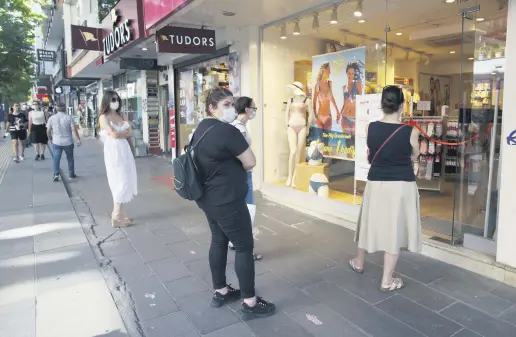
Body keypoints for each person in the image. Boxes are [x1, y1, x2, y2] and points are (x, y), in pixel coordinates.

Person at [193, 87, 275, 318]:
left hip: (207, 198)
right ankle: (250, 302)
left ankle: (220, 290)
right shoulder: (226, 132)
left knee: (218, 240)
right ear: (212, 107)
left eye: (232, 104)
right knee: (243, 246)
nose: (231, 109)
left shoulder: (200, 129)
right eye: (226, 105)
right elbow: (250, 162)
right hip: (227, 199)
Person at [349, 85, 421, 291]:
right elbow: (414, 155)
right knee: (394, 230)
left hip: (376, 182)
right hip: (401, 185)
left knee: (368, 223)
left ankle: (359, 262)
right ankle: (387, 280)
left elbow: (371, 151)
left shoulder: (370, 127)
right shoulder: (410, 131)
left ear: (382, 104)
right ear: (401, 105)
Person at [98, 90, 137, 228]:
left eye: (117, 99)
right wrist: (123, 134)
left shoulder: (122, 115)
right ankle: (116, 214)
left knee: (126, 177)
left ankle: (119, 213)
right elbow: (113, 135)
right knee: (120, 180)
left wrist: (121, 134)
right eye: (113, 100)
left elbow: (131, 132)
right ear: (107, 101)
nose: (116, 102)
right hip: (113, 151)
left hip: (125, 149)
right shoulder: (104, 117)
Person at [229, 96, 262, 261]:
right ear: (247, 109)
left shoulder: (237, 126)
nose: (255, 110)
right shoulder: (240, 128)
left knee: (239, 209)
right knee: (249, 210)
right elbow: (239, 155)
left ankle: (234, 241)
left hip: (239, 175)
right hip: (243, 174)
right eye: (254, 107)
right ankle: (246, 247)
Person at [46, 104, 81, 181]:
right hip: (68, 142)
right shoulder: (69, 117)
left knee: (56, 158)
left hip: (56, 141)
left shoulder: (52, 118)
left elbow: (48, 130)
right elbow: (73, 130)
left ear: (56, 109)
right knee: (70, 158)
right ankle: (71, 174)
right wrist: (78, 139)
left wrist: (49, 138)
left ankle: (56, 174)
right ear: (65, 109)